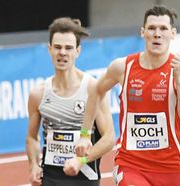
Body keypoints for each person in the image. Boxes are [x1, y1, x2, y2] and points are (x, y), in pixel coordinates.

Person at [75, 5, 180, 186]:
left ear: (173, 33)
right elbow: (96, 90)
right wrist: (85, 134)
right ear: (143, 32)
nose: (157, 34)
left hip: (170, 167)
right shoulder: (123, 67)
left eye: (163, 29)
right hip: (131, 165)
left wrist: (178, 80)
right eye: (151, 28)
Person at [25, 17, 115, 186]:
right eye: (57, 47)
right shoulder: (38, 93)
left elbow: (109, 138)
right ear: (49, 49)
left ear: (78, 51)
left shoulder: (93, 89)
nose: (62, 53)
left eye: (68, 48)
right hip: (51, 177)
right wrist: (33, 166)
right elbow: (32, 137)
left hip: (85, 177)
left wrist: (80, 160)